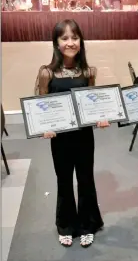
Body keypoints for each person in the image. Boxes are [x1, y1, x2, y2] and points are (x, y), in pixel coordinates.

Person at [36, 19, 109, 248]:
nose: (70, 42)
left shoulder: (88, 71)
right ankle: (66, 225)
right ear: (56, 43)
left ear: (81, 41)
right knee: (64, 180)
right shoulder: (47, 72)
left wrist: (100, 116)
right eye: (64, 38)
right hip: (60, 138)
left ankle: (88, 224)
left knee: (86, 179)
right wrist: (44, 127)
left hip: (84, 135)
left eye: (75, 37)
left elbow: (92, 103)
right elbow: (41, 105)